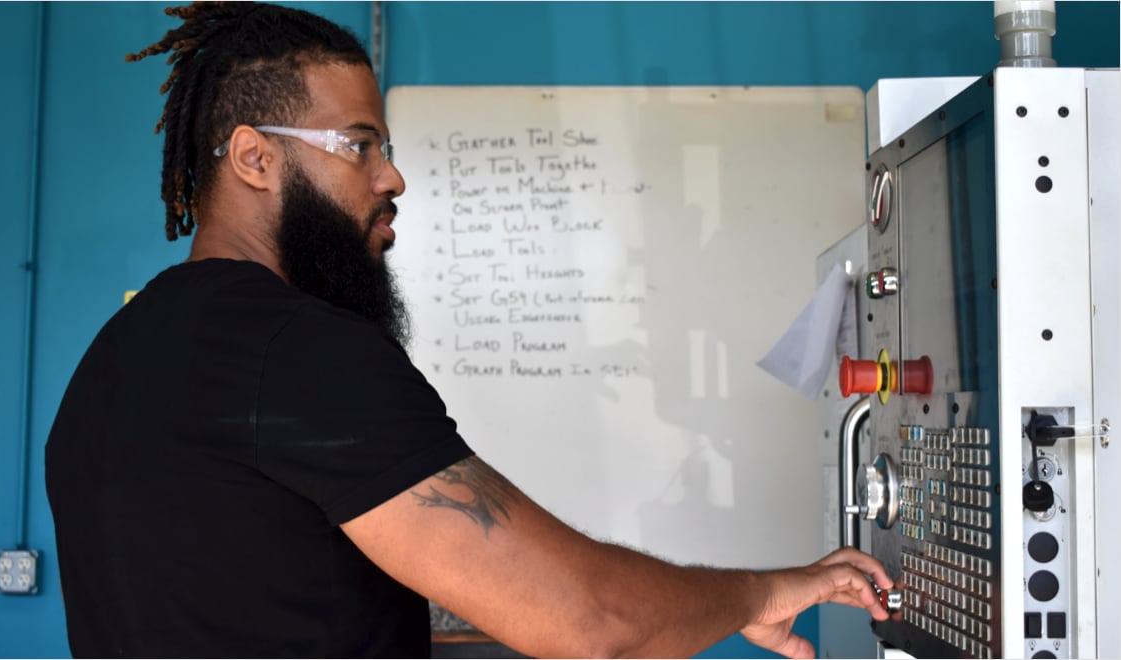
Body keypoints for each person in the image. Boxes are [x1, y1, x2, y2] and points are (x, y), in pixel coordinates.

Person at [44, 2, 893, 658]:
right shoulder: (294, 352)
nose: (394, 177)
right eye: (360, 145)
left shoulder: (116, 359)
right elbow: (591, 622)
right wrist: (764, 591)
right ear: (255, 158)